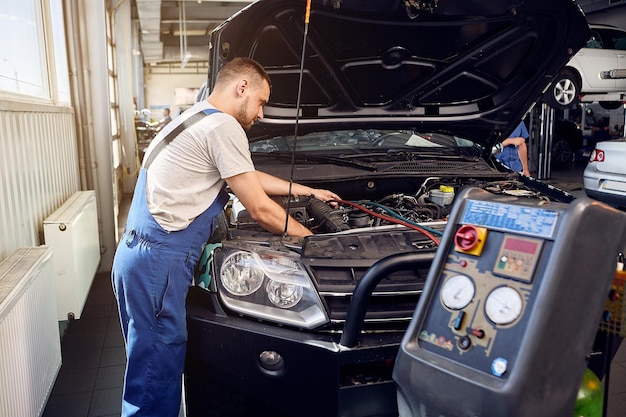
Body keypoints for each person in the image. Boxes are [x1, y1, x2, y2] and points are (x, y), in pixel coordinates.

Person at [111, 57, 340, 417]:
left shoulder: (196, 118)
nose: (262, 114)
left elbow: (247, 175)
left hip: (139, 256)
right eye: (262, 102)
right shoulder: (223, 127)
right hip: (159, 260)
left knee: (148, 362)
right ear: (242, 87)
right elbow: (261, 210)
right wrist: (318, 242)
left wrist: (304, 191)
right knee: (157, 364)